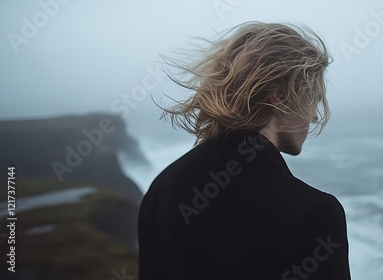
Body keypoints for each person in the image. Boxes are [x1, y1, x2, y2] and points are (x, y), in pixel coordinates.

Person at [138, 22, 351, 279]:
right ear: (281, 97)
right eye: (312, 99)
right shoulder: (315, 213)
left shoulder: (162, 188)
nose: (315, 116)